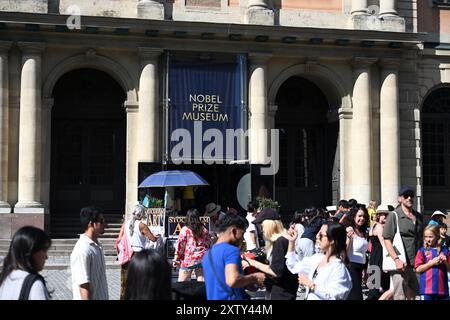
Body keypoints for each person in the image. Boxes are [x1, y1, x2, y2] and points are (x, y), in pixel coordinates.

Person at [202, 213, 265, 300]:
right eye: (242, 234)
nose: (243, 238)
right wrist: (255, 277)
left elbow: (221, 283)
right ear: (234, 232)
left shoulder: (207, 255)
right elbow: (232, 280)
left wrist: (246, 284)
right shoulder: (231, 250)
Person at [285, 221, 352, 300]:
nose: (317, 236)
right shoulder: (317, 259)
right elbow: (293, 265)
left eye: (321, 235)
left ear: (332, 240)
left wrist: (311, 285)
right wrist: (291, 241)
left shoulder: (339, 268)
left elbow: (336, 296)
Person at [243, 208, 299, 300]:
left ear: (269, 225)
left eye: (262, 226)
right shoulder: (281, 240)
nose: (261, 230)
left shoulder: (280, 241)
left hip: (282, 294)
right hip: (281, 291)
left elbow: (276, 271)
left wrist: (252, 262)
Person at [383, 186, 424, 300]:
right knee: (399, 296)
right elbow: (387, 239)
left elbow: (422, 238)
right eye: (406, 196)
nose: (409, 198)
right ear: (399, 199)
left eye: (411, 196)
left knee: (415, 295)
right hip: (400, 264)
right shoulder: (394, 215)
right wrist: (396, 259)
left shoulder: (419, 216)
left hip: (417, 263)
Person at [0, 226, 51, 300]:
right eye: (44, 250)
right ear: (31, 251)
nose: (46, 257)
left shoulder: (4, 278)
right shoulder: (34, 284)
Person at [70, 206, 109, 300]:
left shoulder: (97, 245)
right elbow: (83, 286)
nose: (105, 224)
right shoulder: (83, 249)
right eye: (101, 220)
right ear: (91, 224)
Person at [173, 209, 212, 282]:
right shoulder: (204, 230)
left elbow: (180, 246)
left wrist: (176, 258)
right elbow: (208, 245)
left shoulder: (185, 230)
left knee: (182, 283)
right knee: (201, 282)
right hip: (202, 259)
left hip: (188, 259)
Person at [414, 225, 450, 300]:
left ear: (437, 236)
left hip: (442, 291)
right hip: (426, 291)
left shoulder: (445, 250)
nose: (428, 239)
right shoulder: (422, 251)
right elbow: (417, 269)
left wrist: (445, 261)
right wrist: (431, 263)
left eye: (430, 237)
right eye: (426, 237)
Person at [342, 204, 369, 300]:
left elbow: (363, 253)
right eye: (359, 216)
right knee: (355, 296)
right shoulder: (349, 230)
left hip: (360, 267)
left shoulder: (363, 232)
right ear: (353, 216)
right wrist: (349, 239)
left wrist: (365, 270)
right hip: (351, 267)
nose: (362, 219)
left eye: (364, 216)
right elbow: (344, 250)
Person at [366, 204, 392, 300]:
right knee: (378, 287)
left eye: (386, 214)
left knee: (375, 285)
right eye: (382, 214)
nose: (384, 216)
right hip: (380, 258)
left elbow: (370, 246)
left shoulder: (373, 226)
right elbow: (383, 244)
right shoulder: (380, 227)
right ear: (378, 215)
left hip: (374, 257)